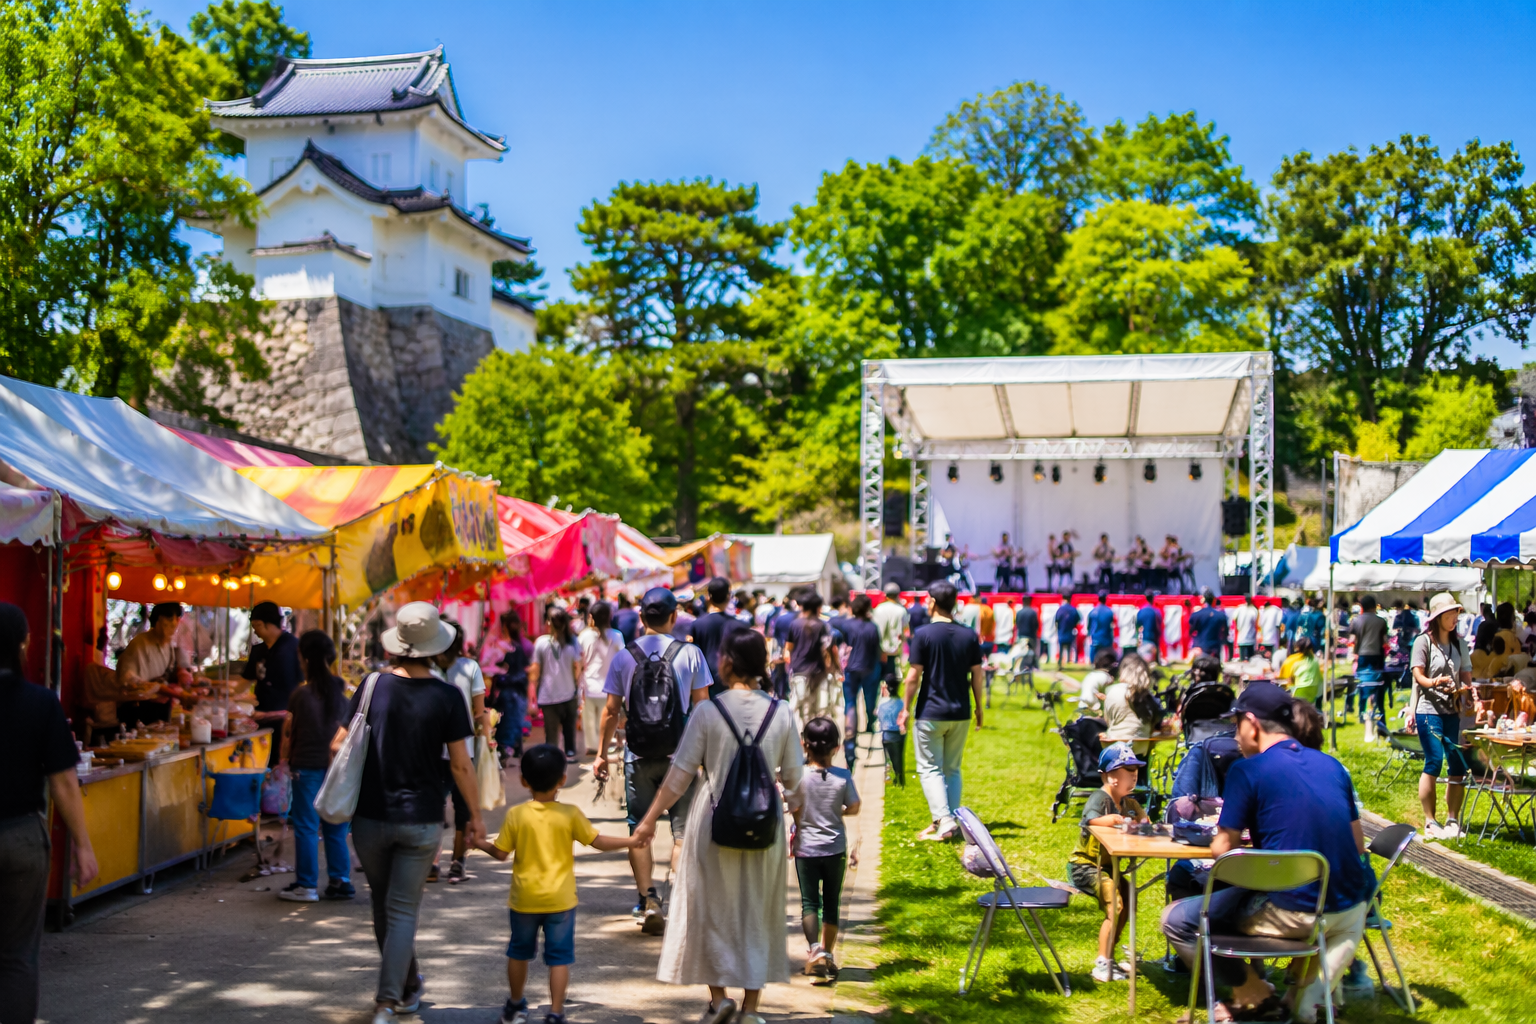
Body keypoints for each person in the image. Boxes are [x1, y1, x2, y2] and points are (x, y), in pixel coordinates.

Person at [1160, 682, 1372, 1024]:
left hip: (1291, 910)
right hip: (1348, 911)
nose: (1233, 734)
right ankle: (1282, 1000)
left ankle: (1252, 993)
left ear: (1251, 723)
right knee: (1251, 897)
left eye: (1235, 724)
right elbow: (1358, 846)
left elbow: (1223, 854)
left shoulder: (1248, 770)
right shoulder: (1332, 766)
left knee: (1179, 919)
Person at [631, 629, 806, 1024]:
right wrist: (799, 821)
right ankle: (750, 1010)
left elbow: (679, 778)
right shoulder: (781, 712)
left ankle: (718, 998)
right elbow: (795, 782)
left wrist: (647, 821)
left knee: (708, 911)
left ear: (726, 662)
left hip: (712, 821)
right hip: (766, 826)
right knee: (757, 913)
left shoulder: (708, 712)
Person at [338, 601, 481, 1024]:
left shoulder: (371, 686)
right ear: (436, 647)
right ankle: (388, 1000)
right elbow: (460, 764)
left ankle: (407, 985)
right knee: (400, 910)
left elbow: (337, 745)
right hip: (420, 819)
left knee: (384, 906)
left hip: (369, 818)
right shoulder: (448, 697)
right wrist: (474, 814)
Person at [476, 745, 638, 1024]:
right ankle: (555, 1011)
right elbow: (597, 841)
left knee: (518, 952)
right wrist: (630, 841)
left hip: (524, 900)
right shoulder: (570, 814)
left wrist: (480, 844)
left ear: (524, 781)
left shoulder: (517, 815)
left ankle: (515, 1005)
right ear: (562, 780)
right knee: (559, 958)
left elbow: (501, 853)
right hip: (560, 902)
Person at [0, 602, 98, 1024]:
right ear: (24, 645)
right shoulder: (41, 703)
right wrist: (82, 846)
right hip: (23, 838)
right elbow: (63, 783)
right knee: (18, 956)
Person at [593, 587, 710, 935]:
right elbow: (702, 708)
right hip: (682, 758)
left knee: (639, 832)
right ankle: (677, 900)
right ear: (674, 617)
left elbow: (611, 712)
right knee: (682, 834)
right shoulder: (691, 654)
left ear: (641, 617)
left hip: (638, 756)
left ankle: (648, 900)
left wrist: (602, 754)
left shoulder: (623, 657)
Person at [899, 580, 984, 842]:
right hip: (960, 711)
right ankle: (947, 820)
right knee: (952, 769)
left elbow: (913, 677)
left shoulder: (923, 634)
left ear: (933, 602)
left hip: (931, 711)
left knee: (929, 768)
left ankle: (944, 820)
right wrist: (980, 707)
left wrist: (905, 708)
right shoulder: (969, 635)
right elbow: (977, 677)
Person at [280, 630, 354, 902]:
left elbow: (291, 733)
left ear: (305, 658)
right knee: (335, 826)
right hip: (337, 768)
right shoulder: (343, 696)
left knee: (307, 826)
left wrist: (284, 761)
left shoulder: (300, 696)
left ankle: (307, 885)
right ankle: (341, 881)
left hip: (307, 767)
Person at [1068, 744, 1147, 983]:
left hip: (1110, 866)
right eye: (1128, 770)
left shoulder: (1129, 803)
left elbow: (1145, 821)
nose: (1134, 774)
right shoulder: (1099, 799)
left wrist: (1142, 822)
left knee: (1129, 898)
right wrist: (1111, 819)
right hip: (1087, 866)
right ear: (1111, 777)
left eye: (1136, 770)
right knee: (1116, 905)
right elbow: (1089, 820)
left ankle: (1111, 956)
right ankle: (1101, 962)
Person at [793, 716, 861, 979]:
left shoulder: (799, 776)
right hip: (835, 848)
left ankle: (814, 950)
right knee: (832, 902)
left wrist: (801, 821)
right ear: (837, 747)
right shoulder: (843, 776)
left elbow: (795, 807)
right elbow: (854, 806)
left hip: (806, 849)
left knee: (810, 902)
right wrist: (840, 810)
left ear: (804, 745)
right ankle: (828, 954)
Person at [1410, 592, 1472, 840]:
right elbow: (1419, 676)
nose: (1455, 618)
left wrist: (1467, 689)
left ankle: (1452, 819)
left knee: (1457, 764)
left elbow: (1467, 677)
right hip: (1428, 710)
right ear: (1437, 617)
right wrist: (1434, 682)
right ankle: (1430, 821)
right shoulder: (1423, 642)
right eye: (1450, 614)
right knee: (1434, 761)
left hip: (1453, 710)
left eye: (1456, 613)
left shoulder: (1461, 644)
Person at [435, 619, 491, 884]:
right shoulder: (471, 667)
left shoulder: (429, 668)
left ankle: (431, 864)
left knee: (433, 805)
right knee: (462, 808)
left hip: (431, 751)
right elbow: (479, 712)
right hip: (463, 749)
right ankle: (457, 863)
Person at [110, 601, 192, 725]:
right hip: (137, 710)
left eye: (176, 619)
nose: (174, 624)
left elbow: (167, 674)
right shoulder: (140, 644)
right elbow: (127, 679)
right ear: (158, 621)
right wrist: (159, 688)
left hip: (160, 709)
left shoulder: (168, 646)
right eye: (169, 619)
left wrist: (181, 675)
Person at [529, 608, 582, 761]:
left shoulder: (540, 643)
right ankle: (569, 753)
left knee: (551, 732)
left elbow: (536, 670)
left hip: (548, 695)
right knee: (569, 728)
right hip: (569, 693)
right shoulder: (573, 643)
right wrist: (575, 685)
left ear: (549, 623)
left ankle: (552, 759)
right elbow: (577, 668)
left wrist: (532, 690)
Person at [839, 594, 884, 767]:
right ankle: (870, 724)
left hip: (850, 668)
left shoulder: (846, 625)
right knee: (870, 700)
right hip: (870, 667)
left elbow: (842, 646)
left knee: (850, 704)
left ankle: (850, 741)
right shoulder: (872, 627)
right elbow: (877, 649)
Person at [576, 603, 623, 755]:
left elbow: (579, 661)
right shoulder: (616, 636)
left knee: (589, 719)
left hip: (589, 686)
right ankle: (605, 744)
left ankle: (592, 746)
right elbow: (621, 660)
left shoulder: (584, 636)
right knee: (607, 717)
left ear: (591, 617)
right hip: (610, 687)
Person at [690, 577, 749, 697]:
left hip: (705, 681)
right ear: (729, 596)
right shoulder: (740, 625)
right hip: (732, 678)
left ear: (709, 597)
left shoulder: (697, 624)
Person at [243, 600, 304, 713]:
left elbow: (303, 683)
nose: (255, 630)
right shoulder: (258, 650)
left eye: (258, 625)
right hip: (260, 713)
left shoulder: (295, 647)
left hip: (287, 715)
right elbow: (247, 680)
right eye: (253, 626)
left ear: (272, 623)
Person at [785, 591, 838, 718]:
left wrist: (790, 663)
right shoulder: (821, 625)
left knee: (799, 701)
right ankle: (811, 730)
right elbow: (827, 649)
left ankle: (797, 728)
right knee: (815, 705)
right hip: (817, 670)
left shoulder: (794, 624)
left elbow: (788, 648)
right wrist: (833, 667)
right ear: (817, 608)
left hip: (799, 669)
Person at [488, 612, 533, 762]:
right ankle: (514, 748)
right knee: (514, 720)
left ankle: (506, 750)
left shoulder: (504, 647)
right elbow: (526, 668)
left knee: (507, 722)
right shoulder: (522, 645)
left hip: (508, 690)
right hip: (517, 689)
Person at [1102, 652, 1162, 762]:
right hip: (1140, 750)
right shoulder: (1147, 695)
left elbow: (1108, 721)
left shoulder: (1112, 691)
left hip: (1114, 748)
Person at [1349, 595, 1389, 741]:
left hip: (1362, 655)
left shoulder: (1356, 621)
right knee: (1378, 685)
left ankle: (1361, 712)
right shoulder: (1381, 621)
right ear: (1374, 606)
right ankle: (1379, 710)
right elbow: (1385, 641)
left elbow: (1353, 640)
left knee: (1362, 684)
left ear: (1362, 606)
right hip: (1377, 655)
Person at [872, 583, 910, 692]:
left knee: (878, 679)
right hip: (894, 650)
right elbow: (905, 631)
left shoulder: (879, 609)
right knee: (892, 678)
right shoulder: (901, 610)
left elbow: (876, 631)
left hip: (879, 650)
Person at [876, 676, 905, 785]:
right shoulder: (901, 703)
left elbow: (879, 716)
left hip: (886, 734)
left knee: (888, 757)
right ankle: (899, 777)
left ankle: (889, 776)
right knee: (898, 758)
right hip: (898, 734)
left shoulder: (882, 703)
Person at [1188, 591, 1229, 661]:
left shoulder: (1196, 615)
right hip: (1215, 647)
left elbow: (1191, 631)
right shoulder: (1221, 615)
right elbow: (1225, 632)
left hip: (1200, 647)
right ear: (1213, 600)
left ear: (1203, 600)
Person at [1077, 649, 1118, 713]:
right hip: (1094, 702)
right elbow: (1107, 692)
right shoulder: (1105, 676)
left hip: (1083, 700)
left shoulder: (1091, 675)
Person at [1086, 590, 1116, 663]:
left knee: (1094, 657)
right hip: (1106, 639)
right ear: (1105, 599)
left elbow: (1089, 626)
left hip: (1095, 638)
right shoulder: (1109, 611)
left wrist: (1089, 634)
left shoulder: (1093, 611)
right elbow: (1112, 625)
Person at [1053, 596, 1081, 668]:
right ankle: (1069, 660)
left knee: (1061, 647)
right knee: (1070, 646)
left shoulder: (1060, 609)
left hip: (1061, 631)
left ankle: (1060, 660)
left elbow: (1056, 620)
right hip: (1070, 631)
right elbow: (1078, 620)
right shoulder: (1073, 609)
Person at [1135, 596, 1162, 664]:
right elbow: (1159, 625)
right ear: (1153, 599)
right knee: (1154, 661)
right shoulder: (1156, 611)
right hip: (1154, 640)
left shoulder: (1141, 611)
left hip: (1144, 639)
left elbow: (1137, 625)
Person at [1232, 595, 1259, 660]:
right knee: (1248, 658)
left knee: (1247, 658)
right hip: (1246, 637)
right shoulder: (1252, 609)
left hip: (1247, 637)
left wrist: (1238, 626)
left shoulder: (1242, 609)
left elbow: (1234, 618)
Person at [1015, 594, 1040, 660]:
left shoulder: (1019, 612)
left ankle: (1022, 665)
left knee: (1022, 653)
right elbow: (1036, 625)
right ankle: (1032, 665)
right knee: (1032, 653)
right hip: (1031, 636)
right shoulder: (1033, 612)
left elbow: (1017, 624)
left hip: (1021, 636)